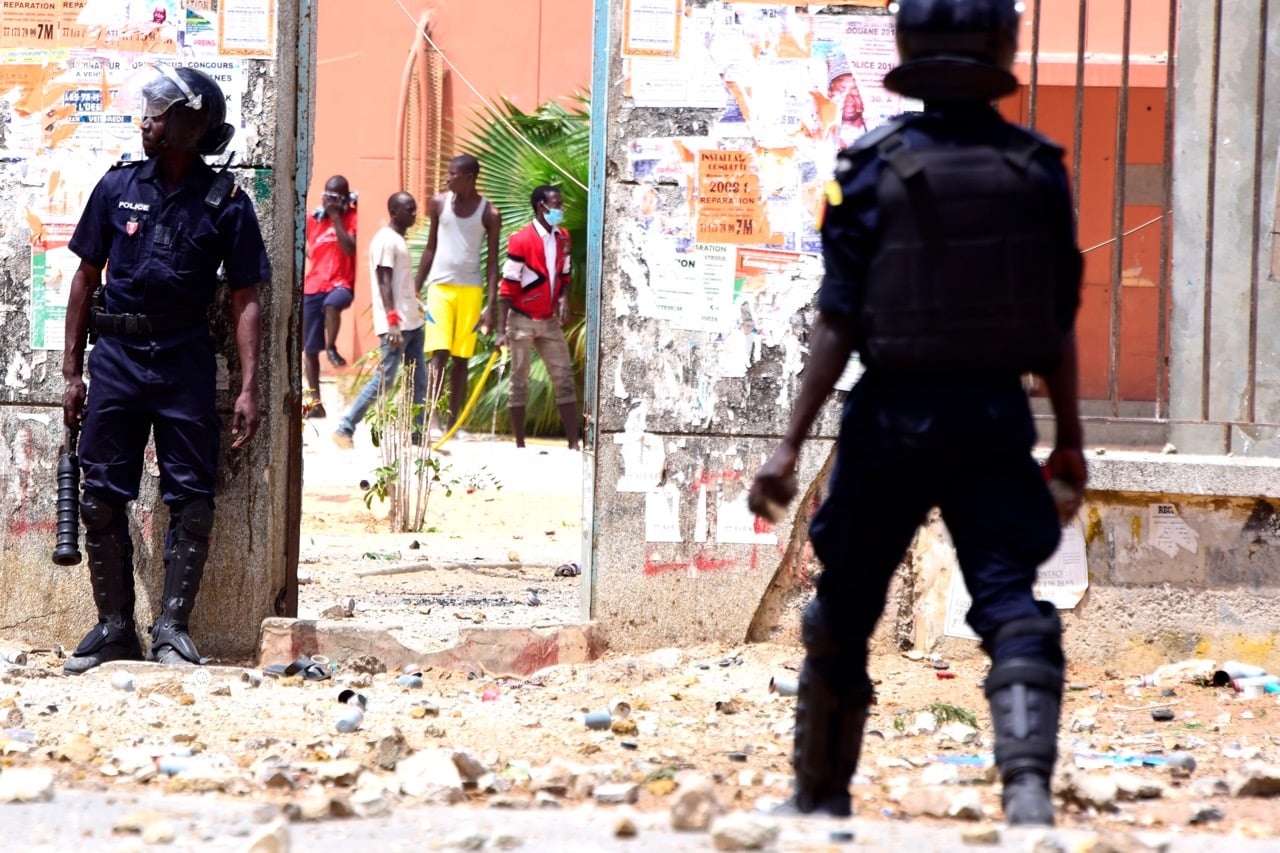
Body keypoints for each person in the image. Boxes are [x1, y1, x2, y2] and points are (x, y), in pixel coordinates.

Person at [747, 0, 1086, 827]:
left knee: (844, 610)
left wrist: (789, 450)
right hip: (993, 418)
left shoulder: (866, 167)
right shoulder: (1037, 169)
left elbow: (835, 322)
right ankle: (1029, 795)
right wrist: (1069, 444)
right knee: (1011, 601)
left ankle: (820, 798)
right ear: (1003, 49)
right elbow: (1054, 328)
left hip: (889, 419)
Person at [61, 64, 269, 673]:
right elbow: (83, 278)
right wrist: (73, 373)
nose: (146, 119)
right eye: (147, 108)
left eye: (158, 109)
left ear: (191, 120)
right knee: (100, 497)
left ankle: (173, 630)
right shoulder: (117, 185)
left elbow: (246, 296)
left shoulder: (226, 203)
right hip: (118, 362)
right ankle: (115, 628)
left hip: (183, 361)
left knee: (193, 499)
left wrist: (250, 387)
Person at [332, 192, 426, 448]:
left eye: (415, 209)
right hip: (397, 327)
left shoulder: (398, 240)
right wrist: (393, 321)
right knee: (383, 380)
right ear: (394, 211)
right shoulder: (386, 240)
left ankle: (418, 436)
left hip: (413, 323)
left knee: (420, 381)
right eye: (409, 209)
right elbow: (384, 282)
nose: (414, 214)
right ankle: (345, 428)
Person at [416, 154, 501, 435]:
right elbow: (430, 248)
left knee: (462, 359)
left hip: (471, 290)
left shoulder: (489, 213)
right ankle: (433, 420)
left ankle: (455, 423)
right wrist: (415, 287)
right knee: (438, 354)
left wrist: (490, 306)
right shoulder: (439, 204)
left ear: (469, 177)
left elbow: (491, 263)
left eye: (453, 174)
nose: (447, 177)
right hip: (439, 288)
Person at [495, 186, 580, 450]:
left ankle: (573, 444)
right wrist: (501, 330)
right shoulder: (520, 240)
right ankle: (520, 444)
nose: (561, 209)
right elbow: (508, 286)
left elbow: (565, 274)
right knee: (519, 379)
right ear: (541, 206)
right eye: (557, 204)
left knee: (564, 377)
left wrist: (564, 297)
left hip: (548, 319)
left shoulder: (563, 237)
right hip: (520, 319)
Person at [301, 174, 358, 418]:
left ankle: (332, 346)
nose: (328, 202)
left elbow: (349, 248)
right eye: (327, 196)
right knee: (310, 349)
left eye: (334, 198)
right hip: (314, 286)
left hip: (340, 283)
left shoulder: (351, 218)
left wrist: (336, 218)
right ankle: (316, 403)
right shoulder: (313, 220)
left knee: (333, 305)